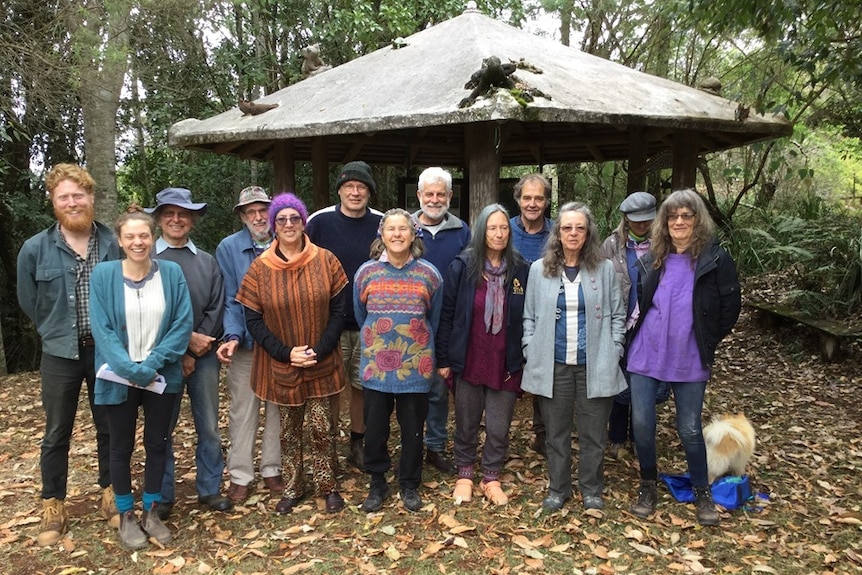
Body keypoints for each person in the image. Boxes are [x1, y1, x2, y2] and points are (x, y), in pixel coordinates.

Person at [16, 163, 119, 546]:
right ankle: (53, 503)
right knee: (57, 431)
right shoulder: (34, 248)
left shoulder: (113, 243)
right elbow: (29, 301)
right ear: (53, 202)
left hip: (106, 350)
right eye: (64, 197)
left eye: (79, 195)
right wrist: (53, 331)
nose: (72, 202)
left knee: (109, 424)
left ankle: (111, 493)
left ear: (91, 197)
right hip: (59, 353)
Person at [626, 189, 741, 526]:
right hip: (646, 352)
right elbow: (643, 304)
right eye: (672, 216)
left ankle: (701, 489)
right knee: (643, 425)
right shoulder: (652, 258)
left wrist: (705, 338)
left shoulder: (714, 259)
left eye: (686, 216)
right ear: (664, 222)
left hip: (689, 357)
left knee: (689, 428)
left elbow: (729, 308)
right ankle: (648, 484)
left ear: (697, 220)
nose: (679, 222)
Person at [236, 192, 348, 514]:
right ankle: (292, 487)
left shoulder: (326, 260)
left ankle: (327, 487)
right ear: (273, 225)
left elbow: (339, 309)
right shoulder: (260, 268)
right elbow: (253, 320)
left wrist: (320, 348)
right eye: (281, 219)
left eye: (294, 218)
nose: (288, 224)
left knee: (321, 427)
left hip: (320, 359)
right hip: (282, 362)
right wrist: (285, 353)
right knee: (287, 430)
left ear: (303, 222)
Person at [89, 206, 193, 549]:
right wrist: (130, 369)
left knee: (157, 444)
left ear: (153, 238)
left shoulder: (172, 272)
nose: (138, 242)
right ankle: (126, 516)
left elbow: (182, 324)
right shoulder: (103, 275)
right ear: (119, 240)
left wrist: (152, 365)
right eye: (130, 236)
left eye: (144, 235)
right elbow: (101, 329)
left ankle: (151, 511)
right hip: (117, 377)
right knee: (120, 447)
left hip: (161, 376)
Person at [521, 202, 627, 512]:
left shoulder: (604, 269)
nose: (573, 233)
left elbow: (617, 315)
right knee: (556, 433)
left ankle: (591, 489)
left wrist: (614, 347)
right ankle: (558, 489)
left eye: (580, 228)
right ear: (557, 233)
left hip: (595, 363)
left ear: (588, 232)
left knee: (594, 434)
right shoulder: (539, 270)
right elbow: (529, 317)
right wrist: (530, 348)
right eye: (567, 227)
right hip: (554, 365)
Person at [144, 188, 231, 518]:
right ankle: (162, 493)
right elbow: (146, 311)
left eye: (183, 213)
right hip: (160, 358)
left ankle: (210, 488)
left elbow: (216, 306)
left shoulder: (206, 261)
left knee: (208, 425)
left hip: (204, 358)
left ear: (192, 218)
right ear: (159, 219)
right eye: (169, 213)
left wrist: (196, 348)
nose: (176, 219)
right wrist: (181, 346)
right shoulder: (145, 257)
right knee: (161, 427)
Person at [436, 204, 529, 506]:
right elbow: (447, 314)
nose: (499, 233)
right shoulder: (462, 266)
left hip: (506, 358)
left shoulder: (520, 269)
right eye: (492, 228)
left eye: (504, 228)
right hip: (471, 355)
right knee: (466, 420)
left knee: (499, 425)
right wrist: (444, 359)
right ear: (481, 231)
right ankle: (464, 473)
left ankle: (491, 475)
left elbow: (530, 314)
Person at [354, 209, 443, 512]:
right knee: (375, 428)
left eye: (403, 229)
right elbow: (360, 315)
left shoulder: (429, 275)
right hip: (375, 366)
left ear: (413, 234)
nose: (396, 234)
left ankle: (409, 483)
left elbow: (436, 318)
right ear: (381, 234)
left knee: (412, 429)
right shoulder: (366, 273)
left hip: (415, 367)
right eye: (390, 229)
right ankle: (377, 482)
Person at [306, 161, 383, 472]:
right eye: (349, 186)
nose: (355, 192)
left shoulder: (381, 222)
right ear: (339, 189)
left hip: (371, 322)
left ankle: (357, 443)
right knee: (331, 387)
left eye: (361, 187)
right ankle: (330, 447)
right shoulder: (319, 222)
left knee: (363, 386)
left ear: (369, 192)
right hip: (329, 323)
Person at [215, 186, 283, 503]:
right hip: (245, 342)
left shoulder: (287, 241)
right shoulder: (229, 248)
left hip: (282, 344)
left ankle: (272, 469)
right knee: (243, 411)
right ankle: (241, 475)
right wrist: (231, 337)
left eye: (262, 210)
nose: (258, 217)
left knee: (277, 409)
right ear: (242, 217)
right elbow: (230, 299)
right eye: (250, 212)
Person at [601, 191, 670, 459]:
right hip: (620, 321)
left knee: (648, 382)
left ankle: (640, 435)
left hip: (652, 325)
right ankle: (617, 437)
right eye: (635, 220)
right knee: (619, 379)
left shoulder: (665, 246)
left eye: (646, 220)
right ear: (625, 219)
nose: (641, 225)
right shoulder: (612, 245)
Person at [411, 167, 471, 474]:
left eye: (440, 194)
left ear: (449, 196)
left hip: (447, 321)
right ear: (419, 195)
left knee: (437, 388)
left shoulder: (462, 231)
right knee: (408, 390)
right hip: (407, 322)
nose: (434, 200)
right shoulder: (402, 228)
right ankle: (410, 446)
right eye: (429, 194)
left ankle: (434, 446)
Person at [509, 174, 553, 458]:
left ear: (547, 201)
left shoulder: (557, 233)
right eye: (527, 198)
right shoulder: (505, 229)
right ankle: (497, 436)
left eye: (539, 198)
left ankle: (544, 434)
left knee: (546, 375)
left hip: (545, 316)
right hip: (508, 313)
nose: (532, 204)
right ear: (518, 199)